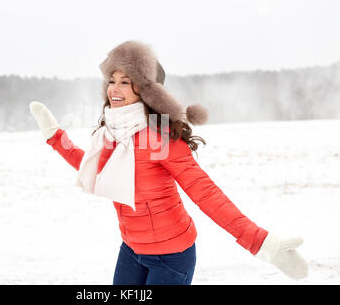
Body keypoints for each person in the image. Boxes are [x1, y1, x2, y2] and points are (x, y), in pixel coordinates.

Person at [29, 40, 308, 285]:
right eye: (112, 81)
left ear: (146, 91)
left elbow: (206, 194)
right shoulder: (112, 135)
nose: (115, 88)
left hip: (172, 257)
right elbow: (92, 168)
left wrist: (261, 243)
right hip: (131, 250)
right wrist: (56, 137)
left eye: (125, 82)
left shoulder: (160, 137)